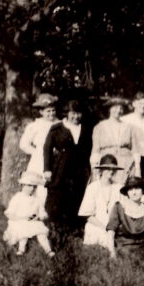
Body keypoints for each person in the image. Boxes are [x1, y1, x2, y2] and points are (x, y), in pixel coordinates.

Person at [42, 100, 93, 247]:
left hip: (80, 168)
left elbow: (88, 150)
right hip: (61, 168)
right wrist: (47, 169)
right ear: (67, 113)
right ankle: (56, 232)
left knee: (78, 198)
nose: (76, 116)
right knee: (58, 198)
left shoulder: (85, 129)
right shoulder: (57, 128)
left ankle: (75, 231)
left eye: (78, 113)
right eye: (73, 113)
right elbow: (47, 149)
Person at [91, 97, 144, 184]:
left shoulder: (129, 127)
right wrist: (94, 168)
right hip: (107, 164)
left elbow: (135, 149)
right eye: (115, 108)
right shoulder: (100, 127)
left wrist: (137, 168)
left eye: (121, 108)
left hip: (125, 164)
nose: (118, 110)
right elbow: (96, 149)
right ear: (109, 109)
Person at [19, 93, 60, 207]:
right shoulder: (35, 125)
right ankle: (35, 211)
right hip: (39, 159)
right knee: (38, 184)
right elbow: (24, 144)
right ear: (41, 112)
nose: (51, 113)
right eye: (48, 111)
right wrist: (37, 152)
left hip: (56, 158)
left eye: (53, 110)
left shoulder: (60, 125)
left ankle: (51, 214)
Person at [3, 172, 54, 258]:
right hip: (19, 220)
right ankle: (21, 249)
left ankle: (48, 250)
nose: (32, 188)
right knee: (24, 231)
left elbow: (42, 212)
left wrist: (40, 216)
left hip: (32, 221)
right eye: (29, 186)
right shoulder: (18, 197)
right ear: (23, 185)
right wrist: (21, 218)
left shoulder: (36, 199)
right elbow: (10, 213)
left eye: (34, 186)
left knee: (41, 233)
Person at [77, 155, 123, 249]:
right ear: (101, 170)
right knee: (97, 236)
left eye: (113, 169)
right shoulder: (93, 187)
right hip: (97, 224)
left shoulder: (118, 187)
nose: (111, 171)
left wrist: (113, 227)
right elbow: (88, 216)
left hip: (114, 225)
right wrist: (104, 227)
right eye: (107, 168)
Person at [121, 92, 144, 177]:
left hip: (142, 160)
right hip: (126, 157)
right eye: (140, 103)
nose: (143, 106)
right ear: (134, 104)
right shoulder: (124, 120)